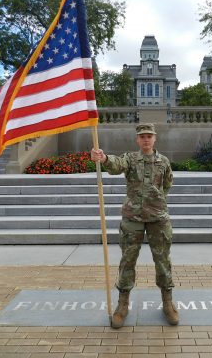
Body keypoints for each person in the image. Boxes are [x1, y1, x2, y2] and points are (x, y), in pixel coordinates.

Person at [91, 123, 179, 328]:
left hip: (158, 218)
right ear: (137, 140)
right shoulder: (130, 159)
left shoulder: (163, 161)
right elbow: (116, 165)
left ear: (155, 139)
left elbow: (167, 184)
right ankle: (122, 305)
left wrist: (156, 201)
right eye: (142, 137)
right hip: (133, 219)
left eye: (149, 136)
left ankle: (167, 303)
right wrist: (103, 158)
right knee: (127, 261)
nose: (146, 140)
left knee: (163, 261)